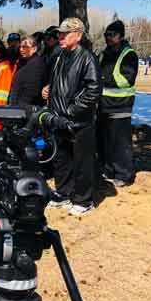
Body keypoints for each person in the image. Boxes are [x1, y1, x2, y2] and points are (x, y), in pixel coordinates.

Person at [47, 18, 102, 216]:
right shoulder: (59, 55)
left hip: (79, 120)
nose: (60, 37)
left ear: (78, 35)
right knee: (62, 159)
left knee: (82, 161)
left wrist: (72, 110)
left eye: (65, 34)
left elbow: (93, 90)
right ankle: (63, 193)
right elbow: (57, 82)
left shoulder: (87, 58)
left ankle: (83, 199)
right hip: (59, 118)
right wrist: (49, 91)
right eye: (59, 34)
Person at [97, 20, 138, 187]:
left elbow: (126, 79)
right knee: (105, 142)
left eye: (111, 35)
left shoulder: (128, 54)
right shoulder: (104, 53)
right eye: (106, 35)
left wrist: (103, 79)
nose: (108, 38)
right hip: (103, 106)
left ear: (120, 36)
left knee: (120, 143)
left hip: (120, 106)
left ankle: (124, 174)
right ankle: (109, 170)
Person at [8, 36, 46, 107]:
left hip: (25, 109)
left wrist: (20, 108)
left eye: (25, 47)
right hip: (16, 106)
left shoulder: (37, 64)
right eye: (20, 47)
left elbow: (32, 91)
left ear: (34, 49)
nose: (21, 50)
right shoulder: (22, 62)